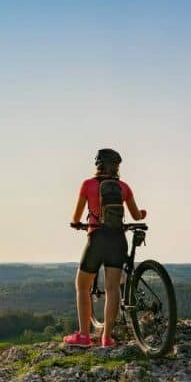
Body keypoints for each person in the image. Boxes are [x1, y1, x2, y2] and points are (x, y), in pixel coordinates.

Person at [64, 148, 147, 348]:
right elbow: (136, 216)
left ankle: (84, 336)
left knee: (82, 285)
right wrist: (142, 214)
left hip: (97, 239)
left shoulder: (88, 185)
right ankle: (107, 338)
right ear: (117, 167)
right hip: (118, 240)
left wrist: (77, 223)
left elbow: (76, 217)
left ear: (98, 165)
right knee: (112, 288)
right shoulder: (124, 187)